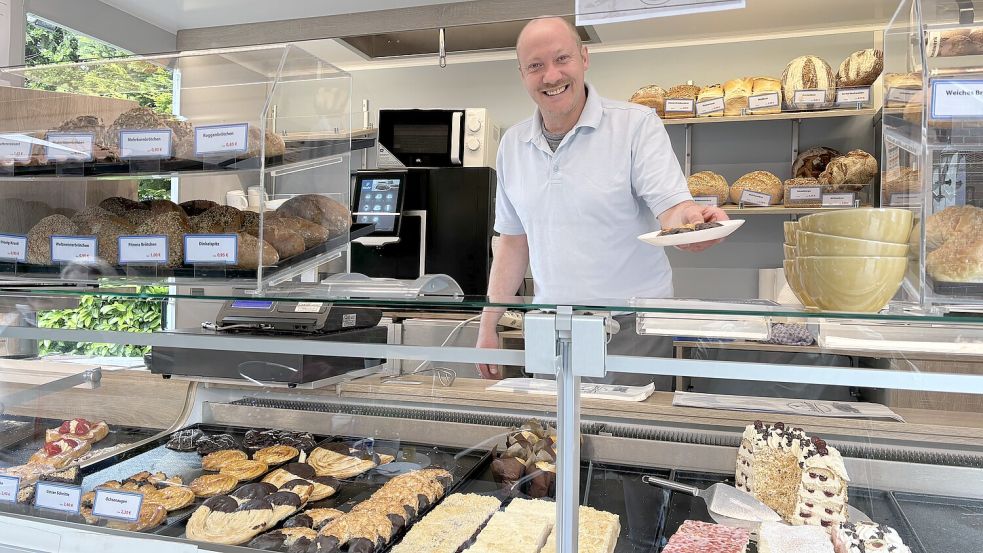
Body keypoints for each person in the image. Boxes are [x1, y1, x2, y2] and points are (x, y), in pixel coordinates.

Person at [476, 16, 728, 382]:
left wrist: (695, 224)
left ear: (584, 59)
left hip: (630, 329)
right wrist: (489, 324)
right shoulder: (512, 145)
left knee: (625, 435)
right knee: (551, 438)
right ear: (522, 74)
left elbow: (673, 209)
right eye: (536, 66)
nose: (551, 76)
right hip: (553, 329)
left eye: (562, 59)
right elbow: (513, 244)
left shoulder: (636, 125)